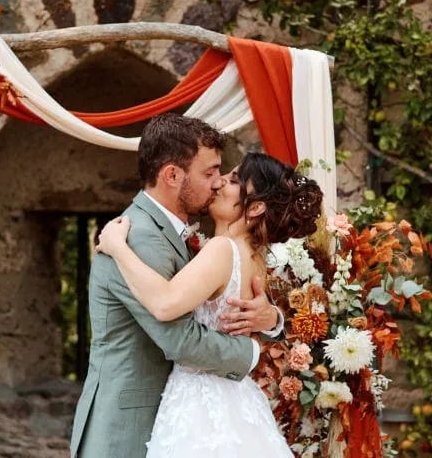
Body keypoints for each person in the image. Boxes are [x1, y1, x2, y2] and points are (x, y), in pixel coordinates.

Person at [69, 115, 287, 458]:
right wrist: (252, 354)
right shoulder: (138, 235)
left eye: (223, 175)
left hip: (184, 418)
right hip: (128, 426)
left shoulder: (193, 237)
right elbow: (177, 336)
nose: (217, 183)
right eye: (210, 172)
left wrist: (272, 319)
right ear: (172, 175)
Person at [97, 151, 323, 457]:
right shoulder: (255, 255)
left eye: (232, 180)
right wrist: (273, 318)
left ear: (255, 206)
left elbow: (164, 305)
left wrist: (117, 248)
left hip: (200, 404)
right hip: (234, 397)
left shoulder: (222, 250)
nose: (218, 184)